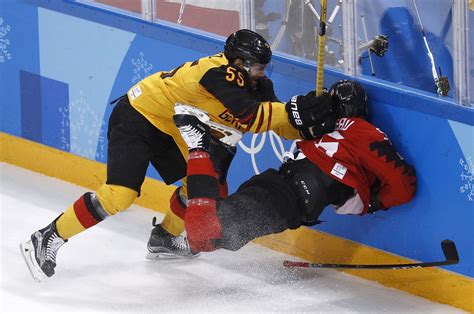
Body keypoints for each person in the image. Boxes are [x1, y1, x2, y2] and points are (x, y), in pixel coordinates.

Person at [20, 29, 333, 281]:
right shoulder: (217, 74)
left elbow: (278, 122)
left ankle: (165, 238)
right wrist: (297, 112)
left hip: (172, 125)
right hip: (140, 115)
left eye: (265, 67)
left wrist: (308, 127)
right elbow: (253, 117)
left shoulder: (255, 83)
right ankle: (48, 236)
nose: (262, 73)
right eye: (257, 66)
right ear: (237, 64)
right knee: (120, 196)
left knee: (200, 182)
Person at [171, 80, 417, 254]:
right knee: (206, 229)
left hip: (275, 184)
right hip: (287, 200)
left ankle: (217, 157)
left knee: (214, 231)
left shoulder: (319, 128)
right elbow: (403, 185)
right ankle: (201, 148)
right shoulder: (362, 130)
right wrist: (376, 202)